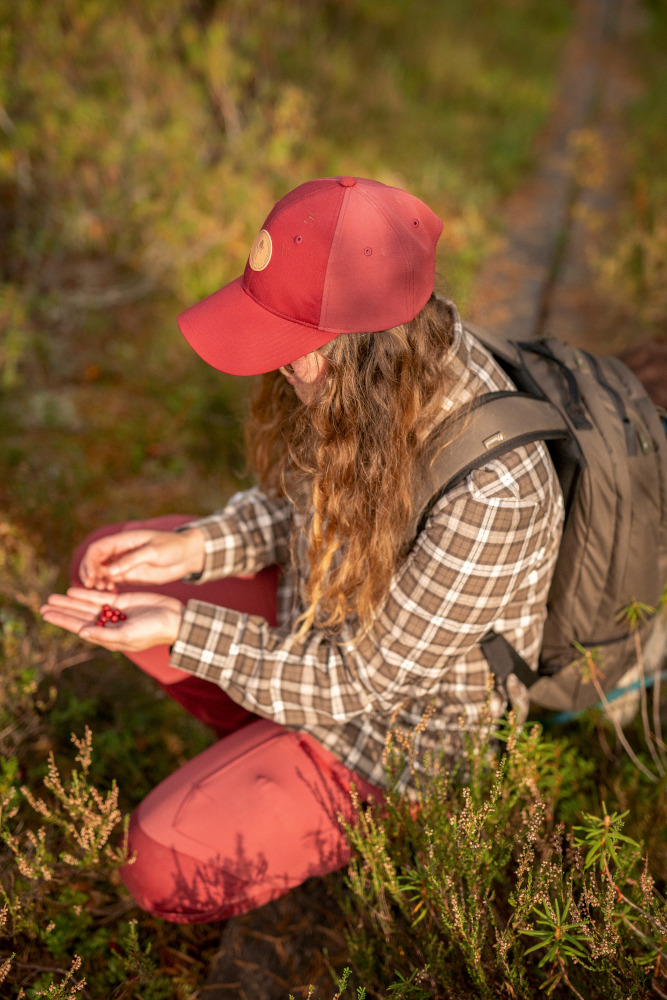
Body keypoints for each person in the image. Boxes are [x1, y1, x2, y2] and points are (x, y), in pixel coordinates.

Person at [40, 176, 564, 923]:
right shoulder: (369, 371)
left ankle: (358, 807)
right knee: (111, 568)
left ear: (366, 344)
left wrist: (187, 630)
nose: (278, 364)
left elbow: (354, 683)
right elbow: (297, 505)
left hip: (399, 732)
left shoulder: (495, 494)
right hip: (317, 618)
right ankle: (262, 739)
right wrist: (193, 549)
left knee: (158, 865)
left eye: (293, 347)